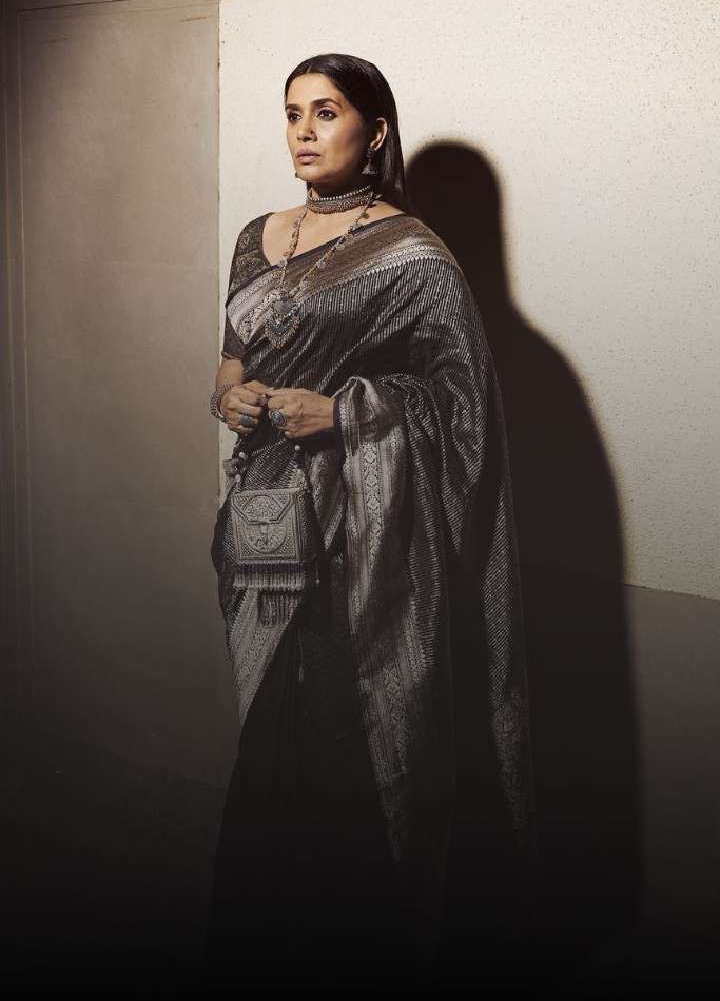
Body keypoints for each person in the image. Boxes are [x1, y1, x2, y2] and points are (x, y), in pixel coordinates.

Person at [204, 53, 534, 992]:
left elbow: (467, 411)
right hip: (265, 525)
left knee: (349, 740)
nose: (304, 132)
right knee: (269, 733)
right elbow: (231, 357)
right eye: (292, 113)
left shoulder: (413, 255)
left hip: (366, 539)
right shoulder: (257, 238)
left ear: (375, 130)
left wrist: (346, 414)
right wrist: (229, 396)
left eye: (326, 112)